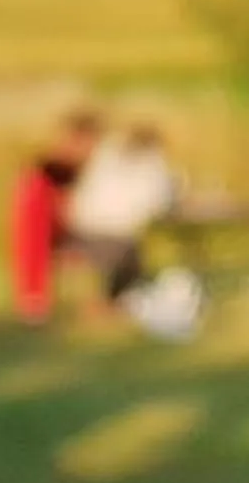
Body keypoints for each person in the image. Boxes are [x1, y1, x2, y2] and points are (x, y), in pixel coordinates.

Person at [64, 122, 180, 311]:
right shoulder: (148, 163)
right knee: (129, 250)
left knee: (130, 249)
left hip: (80, 232)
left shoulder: (106, 154)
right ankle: (116, 302)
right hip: (108, 237)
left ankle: (119, 301)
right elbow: (157, 203)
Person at [10, 108, 101, 322]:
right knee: (35, 249)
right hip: (40, 201)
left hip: (50, 202)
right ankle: (34, 304)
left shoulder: (71, 157)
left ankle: (38, 303)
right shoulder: (62, 157)